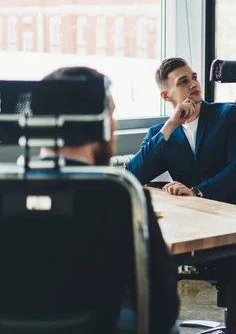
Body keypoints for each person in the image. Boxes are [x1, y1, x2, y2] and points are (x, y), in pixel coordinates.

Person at [126, 57, 236, 334]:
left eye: (193, 77)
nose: (193, 84)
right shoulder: (162, 134)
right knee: (149, 251)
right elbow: (132, 177)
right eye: (183, 82)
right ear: (166, 95)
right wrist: (170, 125)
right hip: (200, 220)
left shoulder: (228, 115)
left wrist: (198, 191)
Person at [39, 66, 180, 333]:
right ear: (102, 123)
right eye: (112, 115)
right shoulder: (121, 194)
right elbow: (161, 306)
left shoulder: (6, 188)